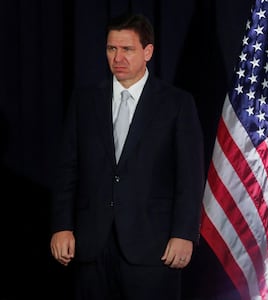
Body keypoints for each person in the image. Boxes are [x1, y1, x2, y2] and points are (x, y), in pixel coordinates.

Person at [50, 12, 205, 300]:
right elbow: (67, 170)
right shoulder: (84, 101)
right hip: (91, 246)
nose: (118, 58)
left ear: (148, 51)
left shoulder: (177, 104)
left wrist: (184, 233)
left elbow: (191, 176)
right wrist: (62, 226)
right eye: (112, 49)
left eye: (127, 49)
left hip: (153, 247)